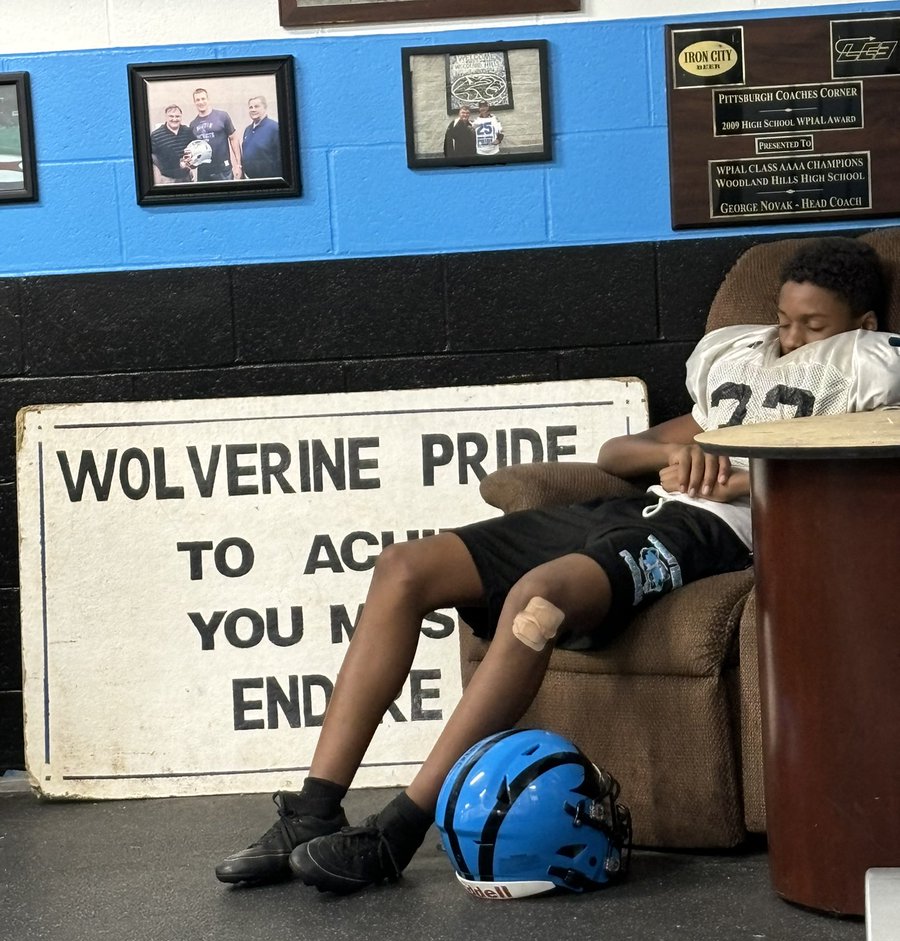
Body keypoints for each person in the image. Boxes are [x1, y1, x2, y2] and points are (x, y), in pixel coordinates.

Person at [215, 236, 900, 895]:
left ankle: (399, 829)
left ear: (863, 326)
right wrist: (678, 456)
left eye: (813, 326)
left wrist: (743, 480)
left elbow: (852, 486)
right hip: (638, 508)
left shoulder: (870, 385)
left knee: (537, 600)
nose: (792, 339)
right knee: (403, 567)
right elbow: (615, 455)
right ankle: (313, 809)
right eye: (783, 320)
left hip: (714, 533)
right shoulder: (748, 372)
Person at [189, 87, 242, 181]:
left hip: (223, 170)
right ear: (194, 102)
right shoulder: (193, 124)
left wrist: (238, 165)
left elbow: (233, 138)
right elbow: (193, 149)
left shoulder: (222, 116)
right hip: (204, 171)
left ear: (208, 100)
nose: (201, 102)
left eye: (203, 99)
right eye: (198, 100)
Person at [149, 105, 194, 185]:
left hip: (187, 177)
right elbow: (149, 156)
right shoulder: (156, 135)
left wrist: (192, 162)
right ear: (166, 117)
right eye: (171, 116)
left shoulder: (187, 131)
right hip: (167, 180)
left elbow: (196, 148)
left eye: (177, 116)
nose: (174, 119)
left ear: (181, 117)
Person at [241, 95, 281, 179]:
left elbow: (281, 157)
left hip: (269, 179)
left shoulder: (274, 128)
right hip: (250, 180)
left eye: (256, 106)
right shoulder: (248, 130)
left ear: (265, 108)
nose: (253, 110)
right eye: (251, 107)